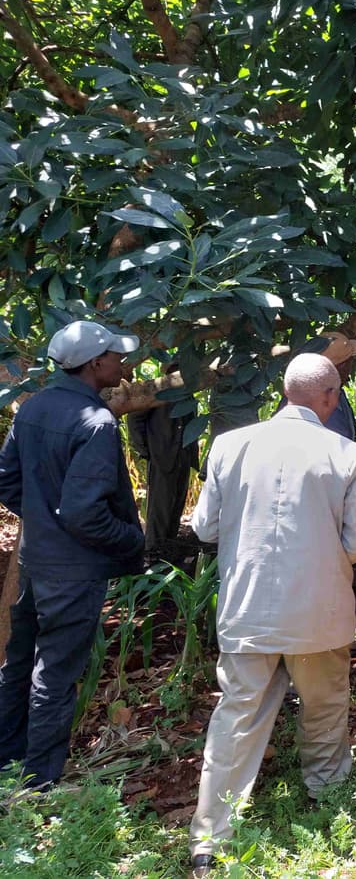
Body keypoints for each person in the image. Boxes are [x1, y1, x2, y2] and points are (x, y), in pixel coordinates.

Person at [188, 353, 356, 877]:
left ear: (284, 391)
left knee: (236, 716)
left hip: (246, 609)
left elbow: (205, 528)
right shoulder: (346, 454)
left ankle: (210, 839)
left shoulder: (229, 446)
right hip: (317, 613)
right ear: (330, 398)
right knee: (324, 706)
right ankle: (327, 796)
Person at [0, 320, 144, 788]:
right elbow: (84, 514)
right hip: (72, 571)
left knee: (20, 661)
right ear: (95, 363)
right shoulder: (97, 423)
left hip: (36, 561)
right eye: (115, 356)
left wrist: (42, 521)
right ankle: (38, 784)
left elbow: (7, 481)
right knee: (55, 675)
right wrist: (130, 539)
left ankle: (7, 762)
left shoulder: (34, 407)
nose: (122, 364)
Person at [127, 363, 199, 551]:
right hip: (163, 456)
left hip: (182, 456)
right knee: (160, 507)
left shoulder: (187, 394)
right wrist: (146, 449)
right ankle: (153, 550)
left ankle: (168, 546)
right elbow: (135, 419)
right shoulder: (159, 392)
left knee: (177, 502)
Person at [287, 331, 356, 441]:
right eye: (350, 362)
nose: (351, 368)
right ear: (341, 366)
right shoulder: (316, 401)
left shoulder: (336, 393)